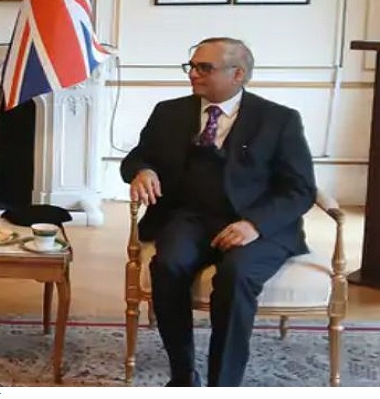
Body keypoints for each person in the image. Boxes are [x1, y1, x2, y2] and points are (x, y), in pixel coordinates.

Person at [121, 37, 316, 387]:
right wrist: (142, 170)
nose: (193, 74)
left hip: (256, 225)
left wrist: (254, 224)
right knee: (168, 265)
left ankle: (223, 385)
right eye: (191, 66)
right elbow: (137, 157)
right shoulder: (169, 112)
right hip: (191, 217)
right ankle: (183, 377)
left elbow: (300, 189)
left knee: (235, 275)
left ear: (237, 74)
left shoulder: (278, 120)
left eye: (204, 68)